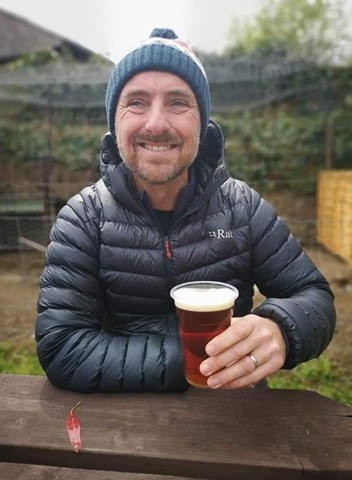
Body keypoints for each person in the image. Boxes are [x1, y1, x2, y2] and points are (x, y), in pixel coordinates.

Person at [35, 27, 336, 393]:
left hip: (234, 421)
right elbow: (63, 348)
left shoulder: (243, 207)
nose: (157, 123)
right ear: (114, 121)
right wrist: (200, 359)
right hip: (124, 427)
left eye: (178, 102)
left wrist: (281, 328)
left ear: (203, 121)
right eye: (136, 101)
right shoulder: (83, 218)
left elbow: (314, 297)